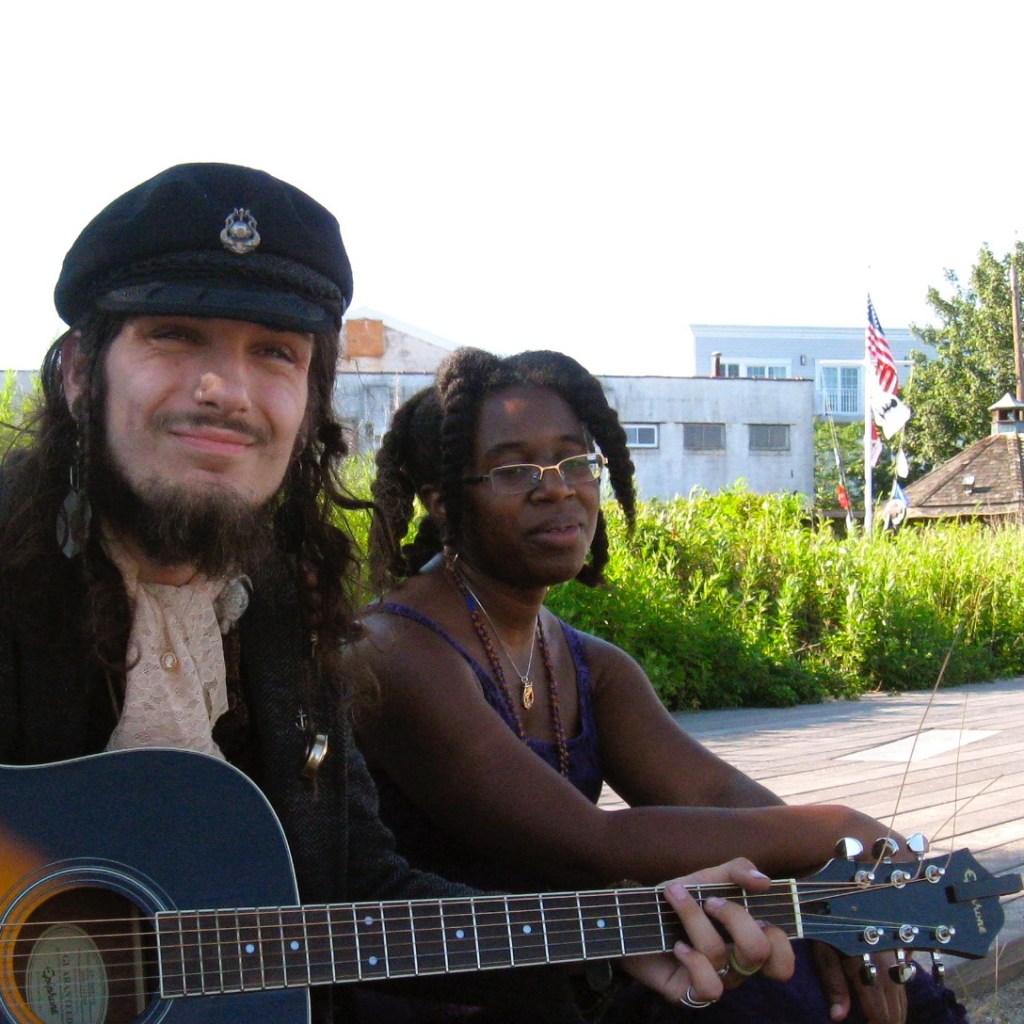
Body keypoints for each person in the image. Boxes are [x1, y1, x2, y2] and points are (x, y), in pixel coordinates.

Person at [0, 164, 791, 1024]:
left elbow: (360, 886)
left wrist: (611, 933)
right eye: (174, 335)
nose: (225, 389)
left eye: (274, 352)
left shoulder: (283, 615)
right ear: (80, 373)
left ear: (309, 401)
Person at [354, 346, 970, 1024]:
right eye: (514, 469)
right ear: (442, 503)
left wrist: (829, 893)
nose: (558, 487)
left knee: (851, 970)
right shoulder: (399, 652)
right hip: (473, 984)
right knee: (762, 997)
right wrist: (844, 831)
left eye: (575, 461)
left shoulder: (589, 664)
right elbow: (587, 841)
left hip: (592, 956)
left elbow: (717, 795)